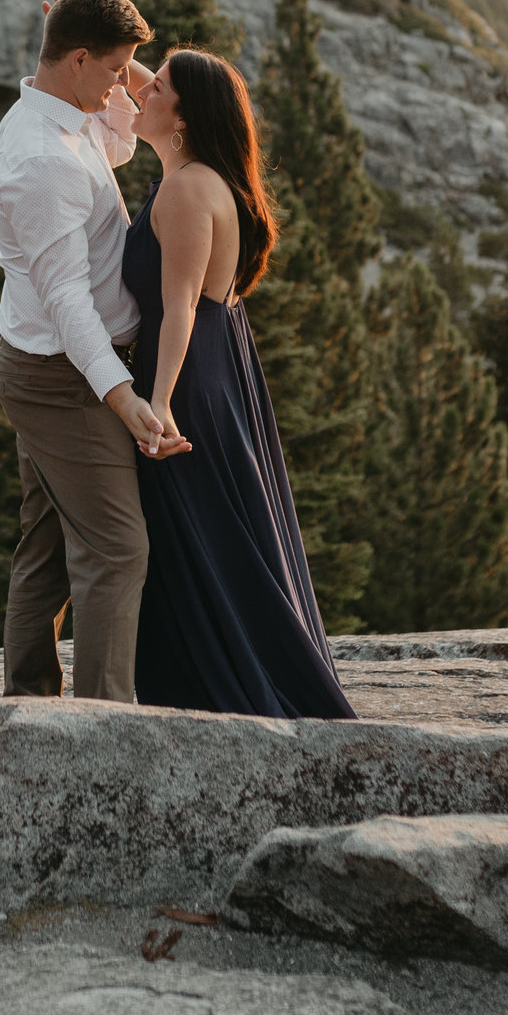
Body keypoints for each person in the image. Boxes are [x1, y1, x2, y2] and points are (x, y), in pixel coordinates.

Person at [124, 49, 355, 719]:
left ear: (184, 116)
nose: (140, 91)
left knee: (201, 536)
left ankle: (220, 687)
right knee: (215, 531)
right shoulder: (196, 169)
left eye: (155, 86)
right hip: (217, 363)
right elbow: (156, 91)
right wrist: (113, 46)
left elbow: (178, 306)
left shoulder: (189, 188)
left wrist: (159, 402)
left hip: (188, 374)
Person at [0, 0, 188, 704]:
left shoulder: (68, 115)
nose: (125, 86)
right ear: (75, 61)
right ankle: (105, 725)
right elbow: (68, 299)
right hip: (61, 378)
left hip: (50, 364)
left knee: (45, 546)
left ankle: (29, 704)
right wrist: (123, 396)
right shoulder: (42, 161)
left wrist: (115, 54)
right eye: (114, 69)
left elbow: (122, 136)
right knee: (116, 547)